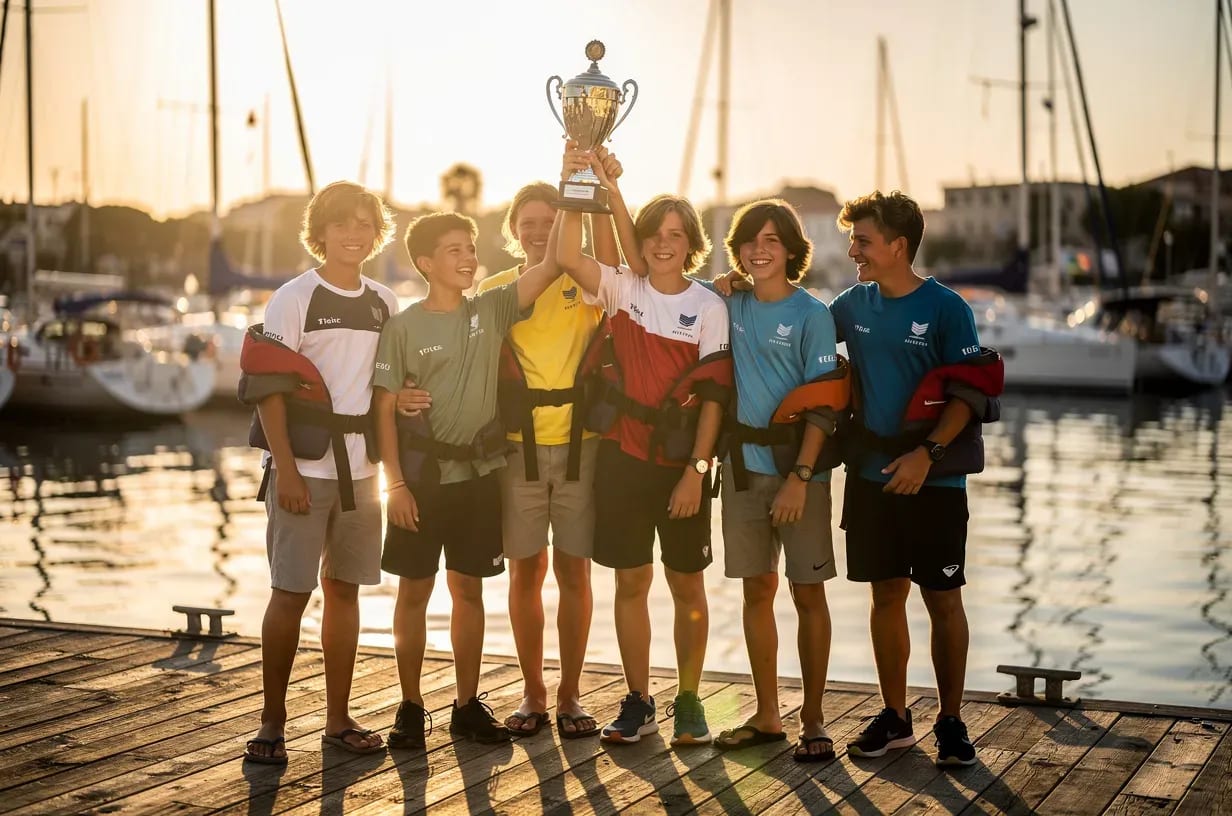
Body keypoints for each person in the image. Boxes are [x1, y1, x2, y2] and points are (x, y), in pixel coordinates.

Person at [373, 207, 568, 749]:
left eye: (471, 247)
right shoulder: (404, 327)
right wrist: (394, 486)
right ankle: (410, 707)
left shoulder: (492, 308)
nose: (468, 257)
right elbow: (383, 410)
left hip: (480, 477)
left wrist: (574, 179)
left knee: (469, 592)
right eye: (455, 250)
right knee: (413, 592)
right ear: (426, 263)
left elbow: (554, 263)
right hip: (420, 480)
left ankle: (465, 705)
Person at [557, 146, 732, 747]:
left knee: (687, 585)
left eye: (677, 235)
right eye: (655, 233)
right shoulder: (622, 289)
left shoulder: (710, 306)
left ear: (692, 246)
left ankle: (688, 699)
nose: (664, 243)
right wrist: (584, 182)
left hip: (682, 468)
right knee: (630, 584)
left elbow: (713, 398)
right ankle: (638, 698)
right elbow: (564, 254)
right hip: (623, 461)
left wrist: (695, 470)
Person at [830, 190, 994, 768]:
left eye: (864, 241)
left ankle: (951, 721)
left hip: (935, 480)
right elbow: (805, 337)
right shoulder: (851, 305)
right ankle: (896, 717)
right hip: (870, 477)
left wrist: (927, 454)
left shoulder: (948, 309)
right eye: (854, 241)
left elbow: (970, 391)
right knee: (885, 596)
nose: (854, 251)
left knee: (943, 597)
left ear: (898, 246)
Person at [241, 181, 399, 764]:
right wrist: (285, 470)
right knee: (290, 592)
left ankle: (337, 720)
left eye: (364, 223)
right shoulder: (294, 297)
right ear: (321, 232)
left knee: (345, 592)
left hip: (363, 475)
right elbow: (268, 388)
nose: (353, 234)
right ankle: (271, 722)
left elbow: (385, 383)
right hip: (302, 469)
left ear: (376, 231)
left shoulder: (385, 301)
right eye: (341, 224)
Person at [475, 182, 617, 739]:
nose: (537, 231)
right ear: (512, 230)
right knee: (526, 571)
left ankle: (570, 693)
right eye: (527, 222)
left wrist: (583, 178)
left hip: (582, 446)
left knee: (574, 570)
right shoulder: (496, 289)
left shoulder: (584, 284)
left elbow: (611, 264)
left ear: (565, 226)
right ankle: (533, 692)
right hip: (518, 448)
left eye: (548, 220)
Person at [706, 199, 844, 763]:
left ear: (791, 249)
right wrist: (720, 283)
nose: (758, 250)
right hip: (741, 473)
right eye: (748, 240)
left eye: (771, 241)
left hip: (798, 475)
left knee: (807, 592)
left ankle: (813, 718)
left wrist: (801, 477)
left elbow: (824, 406)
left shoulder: (813, 314)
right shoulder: (729, 302)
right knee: (755, 591)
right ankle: (768, 716)